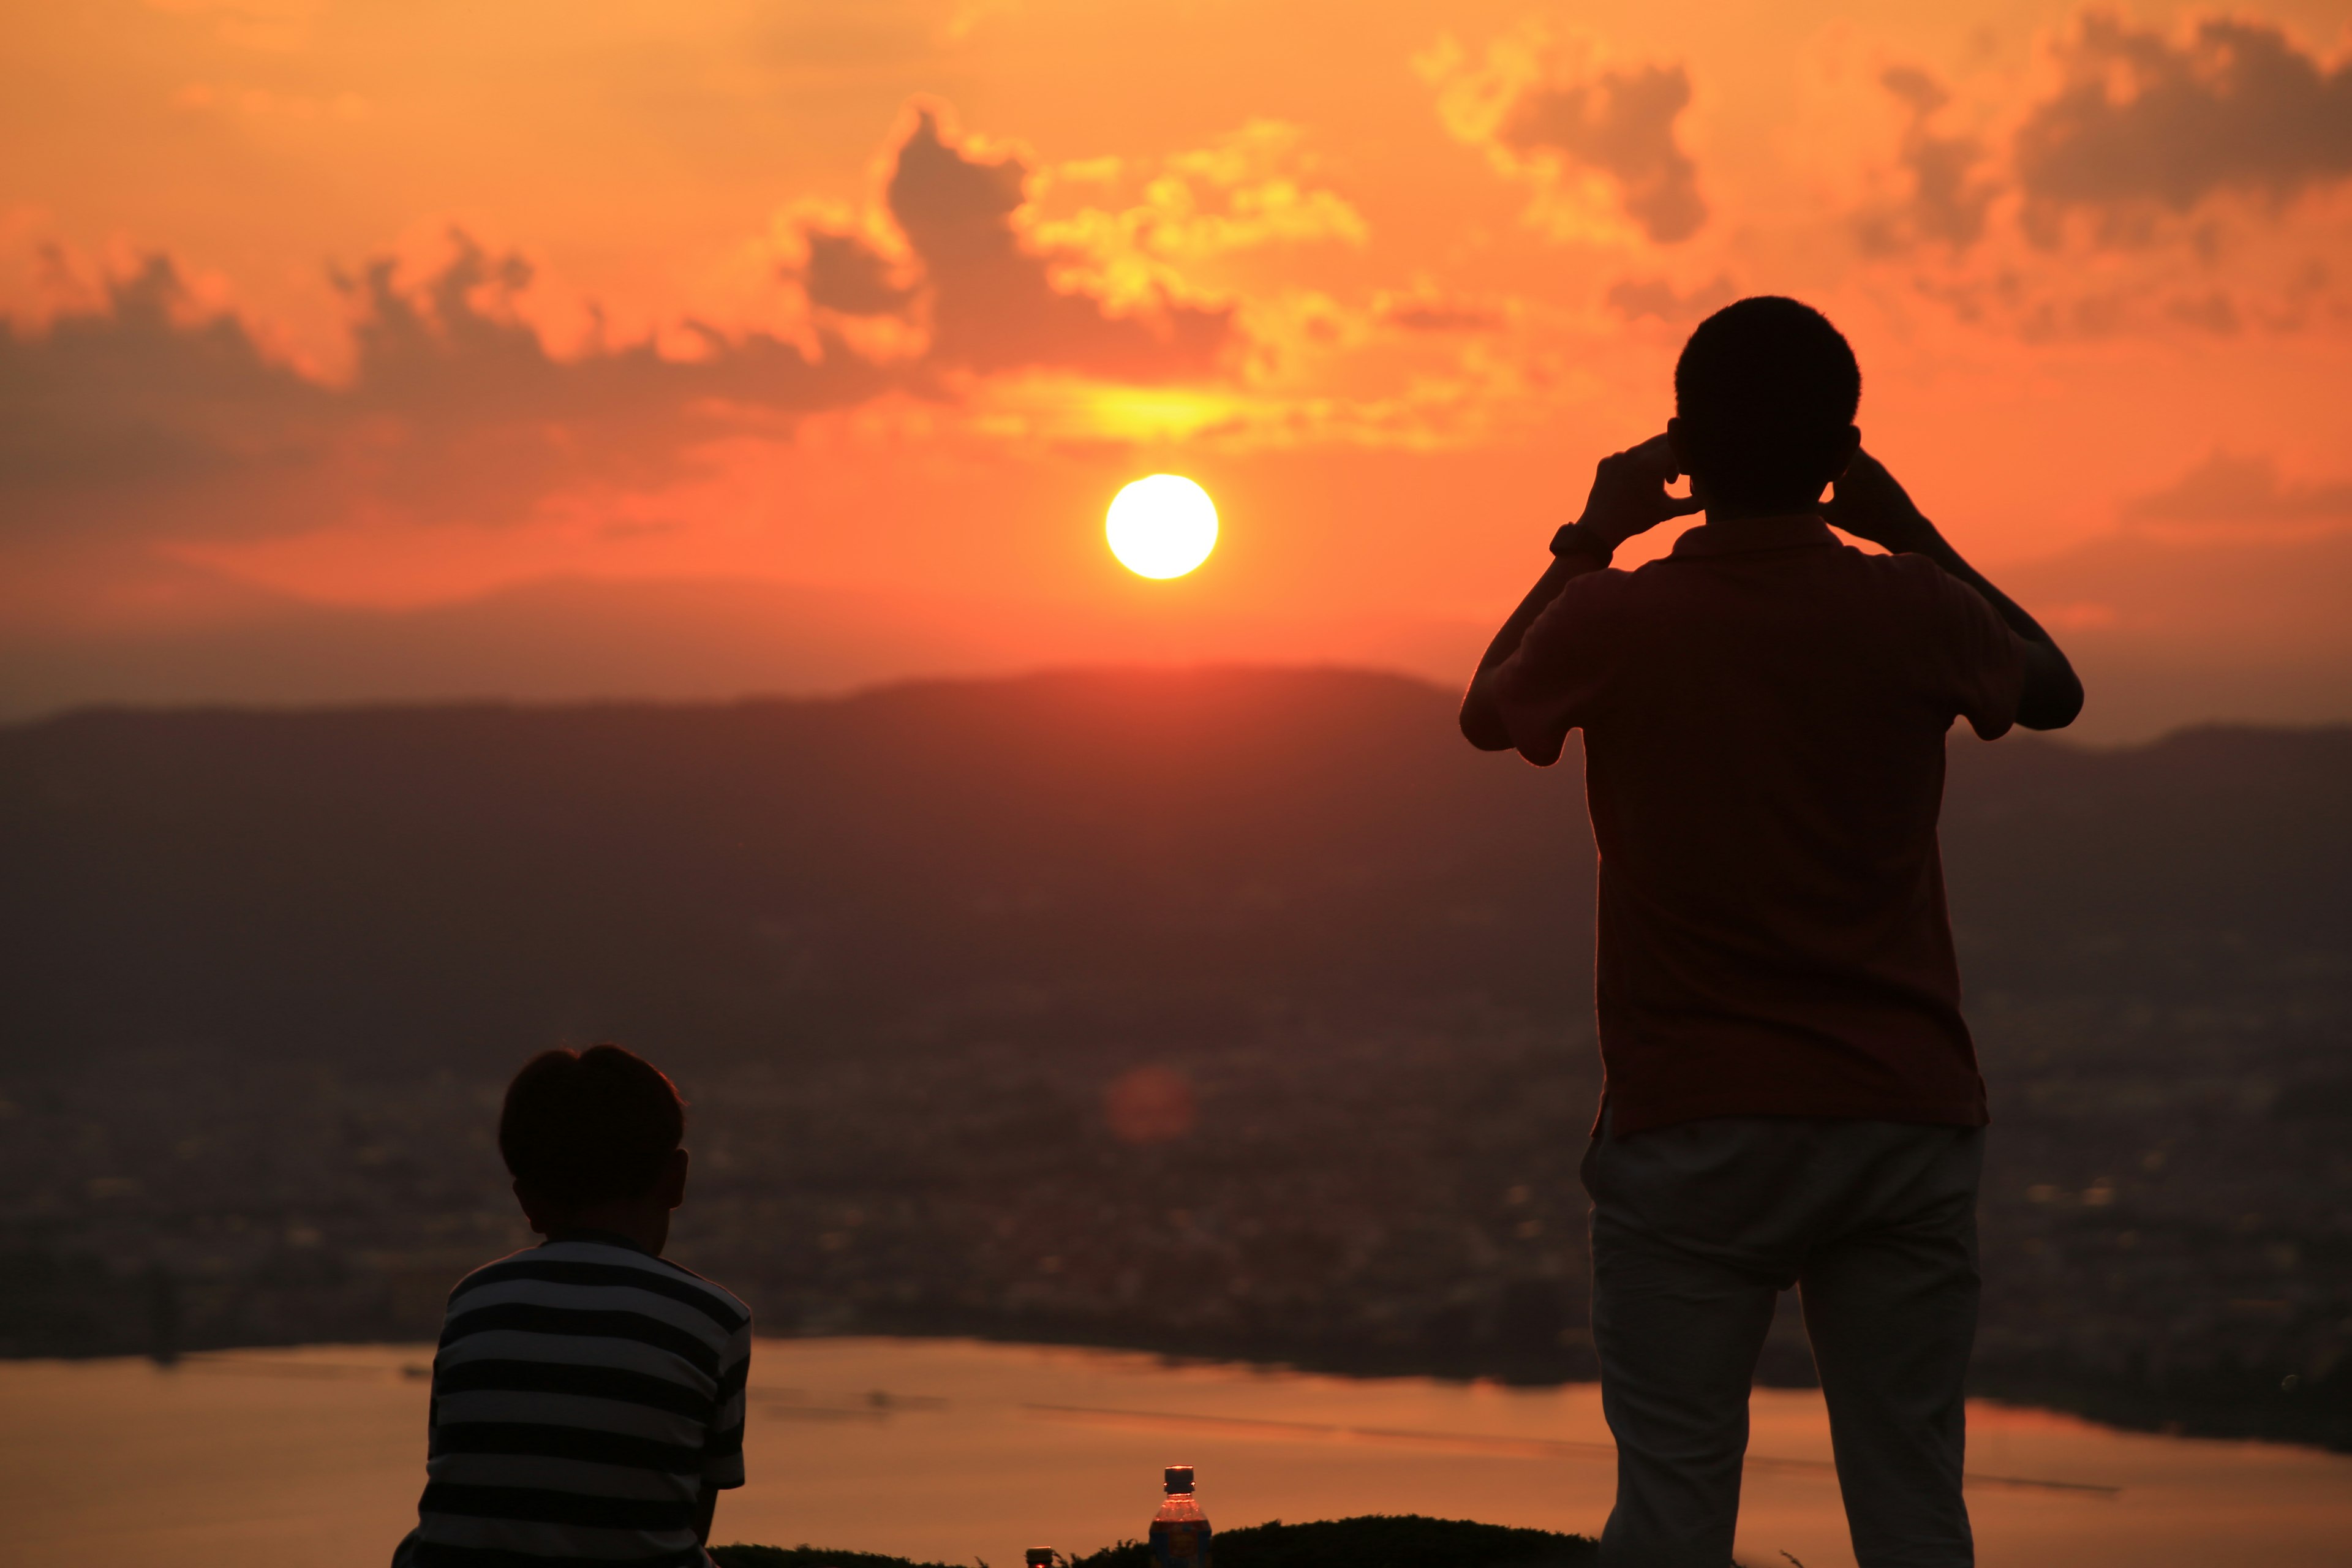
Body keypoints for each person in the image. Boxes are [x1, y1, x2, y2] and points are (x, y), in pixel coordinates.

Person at [1458, 296, 2081, 1568]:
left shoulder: (1618, 618)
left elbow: (1486, 709)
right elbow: (2053, 684)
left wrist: (1593, 534)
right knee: (1915, 1502)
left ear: (1684, 446)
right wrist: (1907, 528)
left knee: (1673, 1505)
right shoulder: (1912, 606)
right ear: (1844, 447)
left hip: (1691, 1120)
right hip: (1903, 1113)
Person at [393, 1045, 752, 1568]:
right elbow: (685, 1525)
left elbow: (462, 1480)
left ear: (526, 1200)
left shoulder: (472, 1303)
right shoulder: (714, 1321)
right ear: (676, 1178)